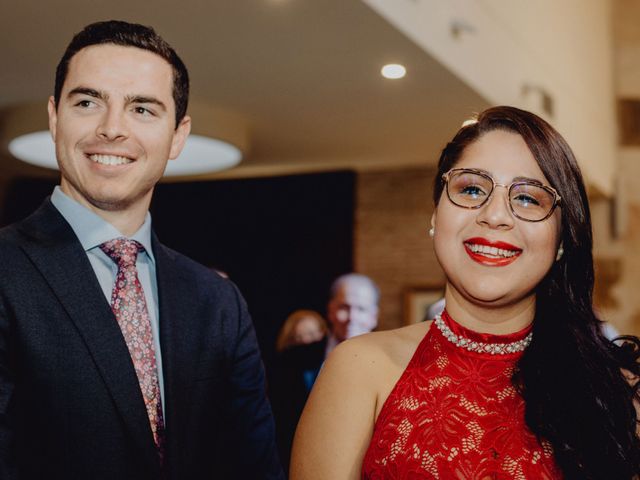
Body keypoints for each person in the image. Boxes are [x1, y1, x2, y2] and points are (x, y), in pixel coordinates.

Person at [291, 106, 640, 479]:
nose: (495, 215)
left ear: (560, 240)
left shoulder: (619, 388)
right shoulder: (359, 369)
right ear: (435, 215)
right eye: (472, 188)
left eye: (527, 198)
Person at [0, 21, 283, 479]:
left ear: (177, 136)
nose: (111, 128)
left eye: (143, 110)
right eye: (88, 102)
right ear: (54, 118)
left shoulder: (218, 302)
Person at [270, 273, 379, 474]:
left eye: (361, 309)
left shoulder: (390, 363)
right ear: (330, 310)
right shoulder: (294, 359)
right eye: (344, 307)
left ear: (374, 316)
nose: (352, 318)